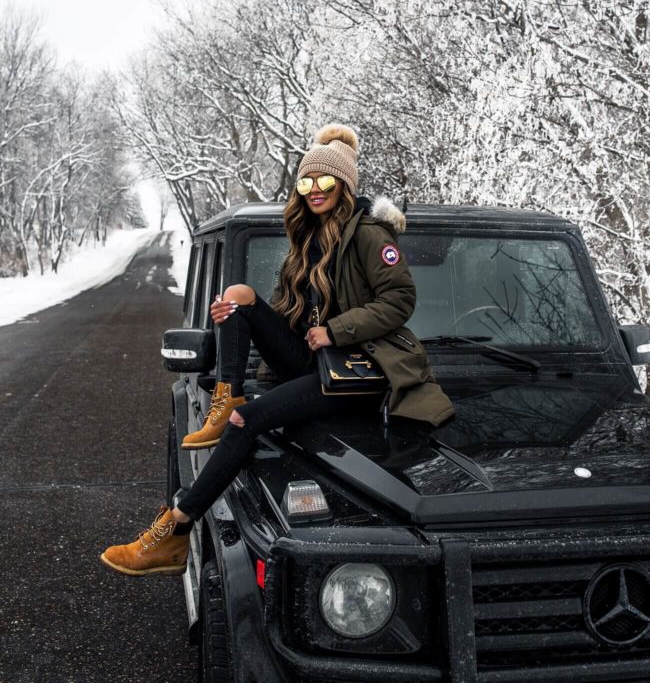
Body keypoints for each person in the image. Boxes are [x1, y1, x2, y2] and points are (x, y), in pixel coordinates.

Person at [100, 124, 454, 576]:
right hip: (318, 363)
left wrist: (336, 330)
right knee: (240, 296)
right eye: (306, 182)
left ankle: (174, 531)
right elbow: (296, 315)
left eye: (324, 181)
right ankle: (227, 394)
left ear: (344, 185)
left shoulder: (370, 235)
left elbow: (400, 301)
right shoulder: (308, 239)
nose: (313, 190)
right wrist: (232, 315)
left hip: (359, 371)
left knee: (247, 421)